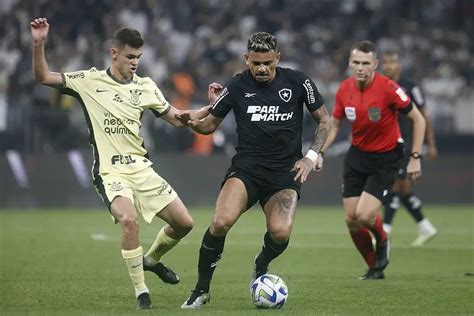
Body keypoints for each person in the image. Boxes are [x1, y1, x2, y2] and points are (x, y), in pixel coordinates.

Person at [30, 17, 209, 310]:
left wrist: (209, 108)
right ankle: (142, 292)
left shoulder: (146, 87)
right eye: (130, 56)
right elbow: (43, 77)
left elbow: (177, 118)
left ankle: (150, 260)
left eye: (138, 57)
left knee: (185, 223)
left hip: (141, 168)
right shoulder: (88, 81)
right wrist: (39, 43)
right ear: (114, 53)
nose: (135, 62)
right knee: (129, 220)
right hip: (110, 171)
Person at [176, 32, 331, 308]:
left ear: (277, 58)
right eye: (256, 63)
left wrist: (310, 156)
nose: (261, 68)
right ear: (246, 59)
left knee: (280, 234)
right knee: (221, 222)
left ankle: (262, 262)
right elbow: (209, 125)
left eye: (268, 63)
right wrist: (191, 122)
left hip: (284, 173)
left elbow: (324, 120)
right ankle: (201, 289)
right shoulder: (236, 85)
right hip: (246, 170)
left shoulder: (298, 81)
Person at [317, 41, 426, 280]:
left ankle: (384, 241)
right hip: (357, 155)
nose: (360, 67)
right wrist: (320, 152)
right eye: (356, 62)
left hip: (386, 157)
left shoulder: (389, 88)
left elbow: (419, 120)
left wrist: (415, 157)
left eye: (366, 63)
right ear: (349, 63)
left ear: (375, 65)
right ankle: (375, 268)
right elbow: (335, 125)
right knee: (351, 220)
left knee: (364, 215)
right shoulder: (344, 89)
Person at [381, 51, 438, 246]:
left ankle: (385, 230)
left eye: (393, 62)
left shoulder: (411, 88)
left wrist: (430, 143)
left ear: (399, 65)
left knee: (395, 184)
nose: (389, 66)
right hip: (387, 143)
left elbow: (424, 116)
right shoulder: (380, 86)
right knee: (403, 188)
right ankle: (425, 225)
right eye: (386, 62)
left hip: (407, 143)